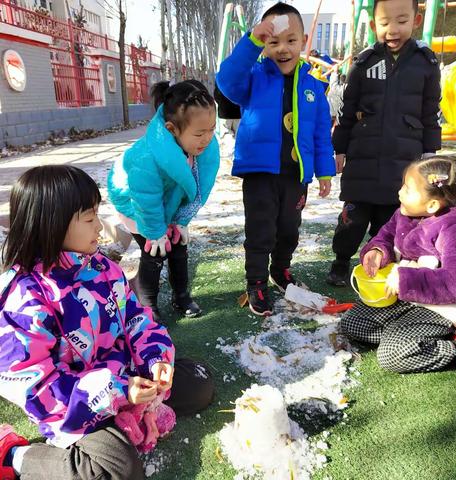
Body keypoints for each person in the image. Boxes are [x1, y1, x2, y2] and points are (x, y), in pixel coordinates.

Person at [0, 165, 214, 480]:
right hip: (79, 405)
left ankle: (131, 422)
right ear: (52, 225)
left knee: (199, 382)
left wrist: (155, 359)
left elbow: (136, 320)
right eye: (89, 218)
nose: (99, 227)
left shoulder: (101, 267)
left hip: (127, 377)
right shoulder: (25, 298)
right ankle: (16, 455)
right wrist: (117, 393)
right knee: (113, 470)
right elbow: (36, 389)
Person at [216, 2, 335, 316]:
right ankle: (256, 281)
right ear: (264, 44)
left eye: (291, 41)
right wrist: (251, 41)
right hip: (260, 174)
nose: (283, 49)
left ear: (303, 41)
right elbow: (226, 81)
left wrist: (324, 170)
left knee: (289, 229)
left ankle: (280, 269)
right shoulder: (253, 78)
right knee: (260, 231)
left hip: (295, 175)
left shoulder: (313, 86)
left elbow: (321, 132)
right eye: (273, 42)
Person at [327, 0, 442, 286]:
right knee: (352, 220)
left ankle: (382, 263)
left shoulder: (426, 64)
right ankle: (341, 260)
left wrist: (430, 155)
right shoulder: (365, 62)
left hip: (404, 161)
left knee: (390, 221)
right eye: (385, 22)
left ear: (416, 21)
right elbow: (347, 109)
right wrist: (339, 148)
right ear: (373, 25)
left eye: (401, 21)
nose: (393, 29)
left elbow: (430, 113)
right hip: (363, 157)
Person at [341, 155, 456, 373]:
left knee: (393, 354)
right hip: (406, 295)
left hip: (443, 305)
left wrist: (408, 279)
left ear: (433, 204)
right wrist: (378, 250)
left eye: (407, 189)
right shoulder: (408, 213)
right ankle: (409, 333)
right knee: (353, 324)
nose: (399, 192)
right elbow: (386, 234)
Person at [108, 80, 220, 320]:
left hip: (164, 198)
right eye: (200, 133)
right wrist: (155, 231)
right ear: (171, 129)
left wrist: (181, 219)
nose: (207, 138)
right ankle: (147, 303)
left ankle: (181, 296)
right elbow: (145, 197)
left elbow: (195, 187)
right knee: (154, 251)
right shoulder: (147, 157)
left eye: (212, 129)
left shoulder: (198, 147)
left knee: (179, 245)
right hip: (132, 201)